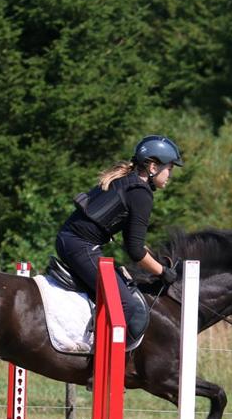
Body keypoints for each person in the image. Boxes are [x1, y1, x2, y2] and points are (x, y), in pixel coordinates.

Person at [54, 135, 182, 341]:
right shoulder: (141, 194)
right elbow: (135, 251)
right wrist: (163, 272)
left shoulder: (127, 181)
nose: (170, 175)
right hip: (80, 246)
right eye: (169, 168)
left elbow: (134, 242)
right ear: (153, 166)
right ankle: (91, 362)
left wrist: (156, 263)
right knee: (127, 305)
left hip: (70, 240)